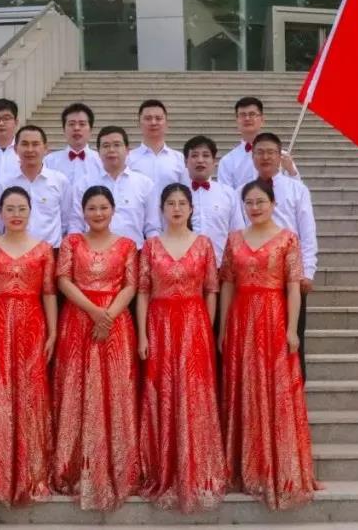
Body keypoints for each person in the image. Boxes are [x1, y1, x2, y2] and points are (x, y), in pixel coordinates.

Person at [219, 179, 319, 510]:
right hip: (241, 319)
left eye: (260, 201)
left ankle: (277, 466)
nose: (254, 207)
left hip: (273, 318)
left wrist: (292, 329)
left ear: (273, 204)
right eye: (249, 202)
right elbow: (228, 284)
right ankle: (245, 465)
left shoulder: (288, 239)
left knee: (274, 389)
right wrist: (223, 327)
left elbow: (293, 287)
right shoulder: (234, 239)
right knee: (244, 387)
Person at [136, 184, 226, 513]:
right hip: (159, 325)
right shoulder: (151, 246)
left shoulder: (203, 244)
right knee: (162, 392)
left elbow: (212, 289)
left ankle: (197, 468)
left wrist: (206, 327)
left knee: (193, 393)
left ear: (191, 209)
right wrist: (143, 335)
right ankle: (163, 467)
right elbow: (143, 291)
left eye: (182, 203)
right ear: (162, 209)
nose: (176, 208)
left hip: (193, 323)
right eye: (170, 203)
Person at [51, 186, 140, 511]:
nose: (98, 213)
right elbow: (63, 280)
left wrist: (109, 315)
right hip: (78, 319)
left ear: (113, 210)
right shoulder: (72, 242)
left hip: (116, 325)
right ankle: (74, 466)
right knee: (77, 389)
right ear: (83, 211)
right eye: (92, 208)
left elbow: (131, 285)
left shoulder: (128, 245)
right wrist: (93, 311)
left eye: (103, 207)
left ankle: (119, 468)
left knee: (115, 391)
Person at [0, 187, 57, 507]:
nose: (16, 214)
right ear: (0, 213)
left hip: (32, 324)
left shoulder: (43, 249)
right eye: (10, 208)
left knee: (30, 392)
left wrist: (53, 332)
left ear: (31, 211)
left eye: (22, 208)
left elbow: (49, 292)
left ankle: (30, 471)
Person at [243, 132, 318, 380]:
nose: (265, 157)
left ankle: (295, 394)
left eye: (270, 152)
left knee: (293, 338)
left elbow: (307, 232)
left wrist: (308, 271)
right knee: (258, 342)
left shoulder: (297, 189)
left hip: (290, 274)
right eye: (260, 152)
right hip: (255, 278)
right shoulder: (243, 192)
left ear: (280, 156)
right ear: (252, 157)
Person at [68, 126, 159, 248]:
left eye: (117, 145)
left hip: (134, 253)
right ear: (98, 152)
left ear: (127, 150)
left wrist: (152, 253)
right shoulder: (84, 184)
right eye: (106, 146)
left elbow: (152, 228)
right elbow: (76, 224)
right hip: (93, 254)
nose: (111, 150)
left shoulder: (144, 184)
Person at [0, 125, 72, 247]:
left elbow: (66, 220)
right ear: (15, 149)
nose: (30, 150)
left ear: (45, 148)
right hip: (14, 251)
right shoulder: (3, 183)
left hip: (51, 251)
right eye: (25, 144)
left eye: (35, 144)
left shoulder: (59, 181)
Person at [180, 135, 245, 262]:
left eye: (205, 155)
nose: (200, 160)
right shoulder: (176, 195)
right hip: (185, 266)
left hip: (219, 265)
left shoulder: (228, 194)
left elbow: (237, 234)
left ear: (214, 161)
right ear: (186, 162)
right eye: (194, 156)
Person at [217, 98, 301, 188]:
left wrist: (291, 171)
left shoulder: (282, 157)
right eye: (242, 115)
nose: (247, 118)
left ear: (262, 120)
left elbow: (298, 190)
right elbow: (225, 195)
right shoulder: (227, 161)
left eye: (252, 114)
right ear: (237, 120)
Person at [127, 99, 187, 194]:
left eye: (158, 118)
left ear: (166, 123)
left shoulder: (179, 158)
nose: (153, 122)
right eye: (148, 118)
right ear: (138, 123)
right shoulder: (129, 158)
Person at [45, 102, 103, 183]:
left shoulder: (101, 161)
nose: (76, 128)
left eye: (82, 124)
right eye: (71, 124)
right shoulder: (49, 161)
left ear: (91, 130)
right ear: (64, 130)